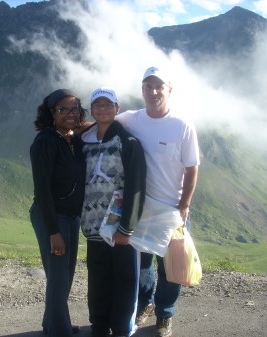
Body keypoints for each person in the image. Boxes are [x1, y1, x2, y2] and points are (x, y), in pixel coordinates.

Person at [115, 67, 200, 337]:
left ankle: (165, 314)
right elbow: (102, 121)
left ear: (169, 90)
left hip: (172, 208)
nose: (153, 92)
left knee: (171, 266)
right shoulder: (131, 119)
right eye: (147, 86)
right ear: (141, 90)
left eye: (158, 86)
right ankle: (145, 304)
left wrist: (184, 205)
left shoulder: (182, 125)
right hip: (140, 208)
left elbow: (192, 168)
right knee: (142, 263)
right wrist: (68, 129)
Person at [80, 88, 147, 337]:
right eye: (97, 105)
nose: (103, 109)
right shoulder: (84, 143)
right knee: (98, 278)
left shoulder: (128, 143)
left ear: (117, 109)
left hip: (119, 227)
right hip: (92, 223)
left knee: (124, 279)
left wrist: (127, 226)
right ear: (92, 110)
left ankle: (120, 328)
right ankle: (99, 325)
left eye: (108, 105)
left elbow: (136, 185)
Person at [29, 89, 87, 337]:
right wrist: (53, 231)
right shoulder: (46, 141)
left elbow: (85, 124)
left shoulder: (71, 138)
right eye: (63, 109)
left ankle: (53, 323)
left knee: (64, 273)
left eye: (74, 109)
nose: (70, 114)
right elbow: (41, 189)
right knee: (59, 275)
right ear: (52, 112)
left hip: (71, 216)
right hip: (52, 216)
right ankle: (59, 331)